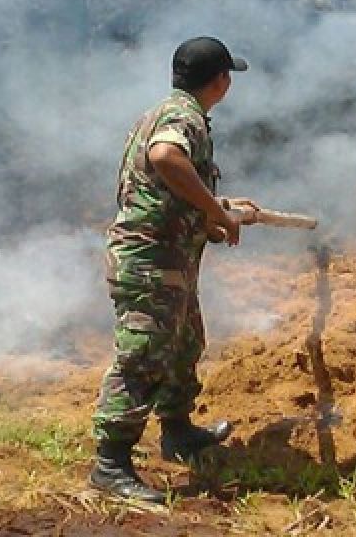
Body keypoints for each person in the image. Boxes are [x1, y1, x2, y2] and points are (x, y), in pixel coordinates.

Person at [90, 36, 259, 503]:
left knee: (184, 343)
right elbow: (165, 159)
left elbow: (165, 189)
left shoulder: (165, 111)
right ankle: (110, 464)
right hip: (150, 261)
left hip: (169, 260)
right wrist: (217, 212)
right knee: (144, 356)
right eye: (229, 76)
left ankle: (178, 432)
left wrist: (219, 207)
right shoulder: (183, 119)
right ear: (221, 81)